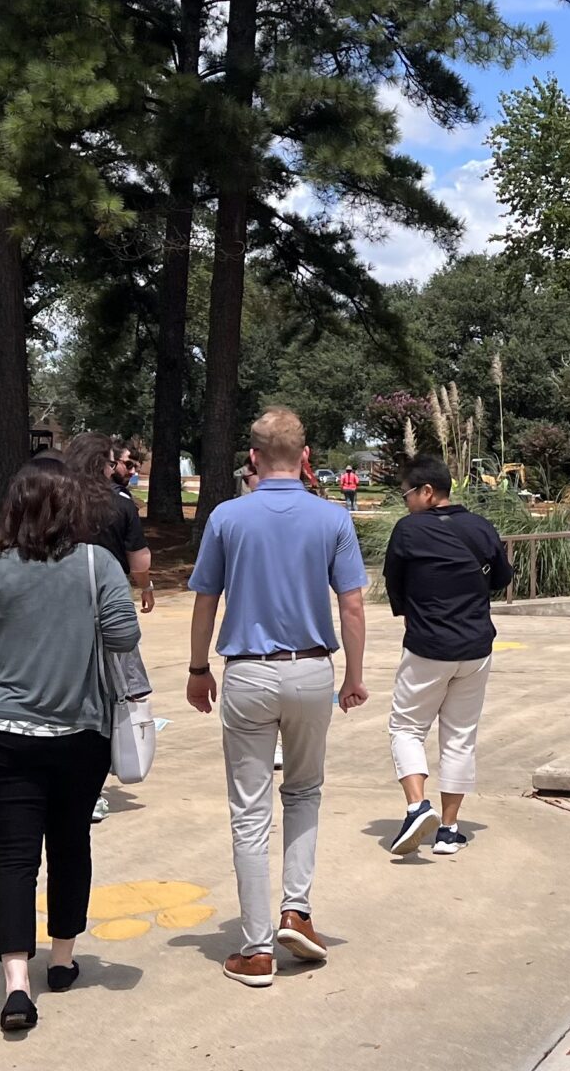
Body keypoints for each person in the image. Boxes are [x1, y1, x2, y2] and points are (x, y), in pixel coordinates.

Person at [0, 459, 142, 1033]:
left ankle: (16, 983)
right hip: (79, 732)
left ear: (14, 506)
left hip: (1, 732)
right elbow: (124, 635)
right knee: (70, 843)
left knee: (14, 856)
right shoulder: (97, 563)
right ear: (74, 507)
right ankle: (61, 960)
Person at [186, 406, 369, 989]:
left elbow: (206, 599)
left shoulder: (227, 516)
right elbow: (352, 604)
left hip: (248, 672)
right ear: (305, 456)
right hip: (311, 669)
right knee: (305, 791)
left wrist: (197, 667)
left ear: (254, 457)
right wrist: (353, 675)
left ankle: (256, 947)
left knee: (249, 809)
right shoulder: (332, 517)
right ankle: (297, 909)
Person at [380, 457, 511, 856]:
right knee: (459, 737)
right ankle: (449, 831)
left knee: (406, 728)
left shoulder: (409, 530)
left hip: (428, 646)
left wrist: (415, 608)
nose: (405, 503)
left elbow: (394, 583)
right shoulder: (481, 526)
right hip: (475, 647)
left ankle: (417, 807)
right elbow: (501, 577)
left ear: (426, 492)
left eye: (406, 494)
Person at [60, 432, 155, 822]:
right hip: (108, 606)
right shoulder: (120, 503)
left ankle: (67, 779)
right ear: (103, 463)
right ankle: (92, 787)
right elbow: (139, 560)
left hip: (60, 605)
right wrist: (145, 585)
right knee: (108, 694)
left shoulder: (59, 498)